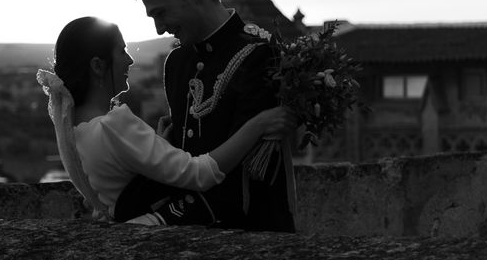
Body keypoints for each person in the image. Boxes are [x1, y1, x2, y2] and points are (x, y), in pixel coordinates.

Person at [36, 16, 296, 225]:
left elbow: (126, 184)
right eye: (122, 51)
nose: (130, 59)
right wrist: (258, 124)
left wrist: (157, 144)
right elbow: (200, 174)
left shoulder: (75, 130)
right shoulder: (114, 125)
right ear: (97, 65)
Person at [118, 0, 296, 232]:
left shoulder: (261, 57)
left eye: (161, 13)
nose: (159, 29)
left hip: (250, 235)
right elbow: (181, 163)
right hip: (190, 232)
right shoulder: (177, 62)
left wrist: (157, 219)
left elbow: (242, 181)